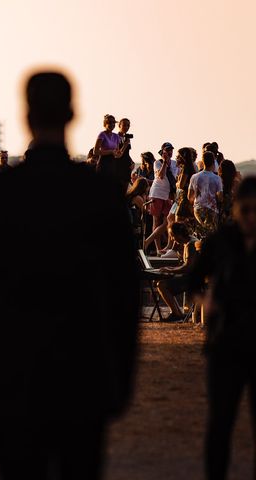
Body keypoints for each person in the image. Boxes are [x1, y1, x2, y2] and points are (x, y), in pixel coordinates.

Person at [0, 72, 139, 480]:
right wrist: (120, 383)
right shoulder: (100, 195)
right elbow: (125, 296)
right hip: (85, 378)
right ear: (73, 114)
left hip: (13, 378)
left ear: (25, 117)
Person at [187, 177, 256, 480]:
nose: (252, 218)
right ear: (236, 209)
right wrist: (205, 300)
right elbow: (191, 277)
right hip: (225, 344)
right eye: (247, 210)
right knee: (221, 423)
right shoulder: (222, 240)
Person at [155, 222, 199, 322]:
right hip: (191, 276)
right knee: (162, 282)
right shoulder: (189, 242)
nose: (173, 239)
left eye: (173, 236)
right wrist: (171, 269)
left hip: (192, 279)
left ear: (179, 235)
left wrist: (170, 270)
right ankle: (177, 313)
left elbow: (188, 267)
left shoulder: (190, 244)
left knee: (161, 285)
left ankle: (176, 314)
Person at [145, 142, 179, 252]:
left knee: (168, 222)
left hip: (168, 195)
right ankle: (158, 249)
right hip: (157, 193)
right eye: (167, 150)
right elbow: (160, 175)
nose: (170, 152)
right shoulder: (157, 163)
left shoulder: (175, 163)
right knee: (156, 221)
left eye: (171, 150)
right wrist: (165, 162)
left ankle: (156, 245)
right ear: (162, 151)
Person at [189, 151, 223, 238]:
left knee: (200, 236)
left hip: (198, 209)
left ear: (203, 162)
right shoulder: (217, 178)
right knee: (212, 236)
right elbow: (220, 197)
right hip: (211, 209)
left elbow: (190, 196)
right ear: (213, 162)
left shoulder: (194, 177)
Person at [218, 159, 240, 225]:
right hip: (234, 213)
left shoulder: (219, 182)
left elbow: (219, 198)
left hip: (222, 214)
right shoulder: (236, 183)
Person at [114, 118, 134, 189]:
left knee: (124, 190)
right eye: (124, 125)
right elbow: (117, 154)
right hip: (118, 167)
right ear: (119, 125)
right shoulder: (115, 137)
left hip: (127, 167)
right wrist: (125, 144)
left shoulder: (126, 138)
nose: (126, 127)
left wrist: (132, 162)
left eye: (128, 125)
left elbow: (127, 153)